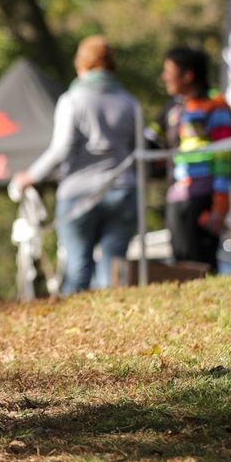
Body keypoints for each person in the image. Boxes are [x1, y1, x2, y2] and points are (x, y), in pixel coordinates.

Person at [11, 36, 140, 296]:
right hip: (123, 190)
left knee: (77, 267)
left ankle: (76, 332)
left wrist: (30, 176)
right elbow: (138, 149)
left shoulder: (72, 100)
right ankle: (113, 326)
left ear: (81, 65)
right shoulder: (129, 103)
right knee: (113, 269)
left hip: (79, 194)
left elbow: (61, 149)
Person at [152, 46, 231, 271]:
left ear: (188, 75)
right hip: (176, 194)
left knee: (201, 263)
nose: (164, 77)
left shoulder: (216, 106)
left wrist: (220, 206)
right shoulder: (174, 107)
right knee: (179, 262)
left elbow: (224, 158)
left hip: (203, 197)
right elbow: (150, 138)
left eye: (168, 71)